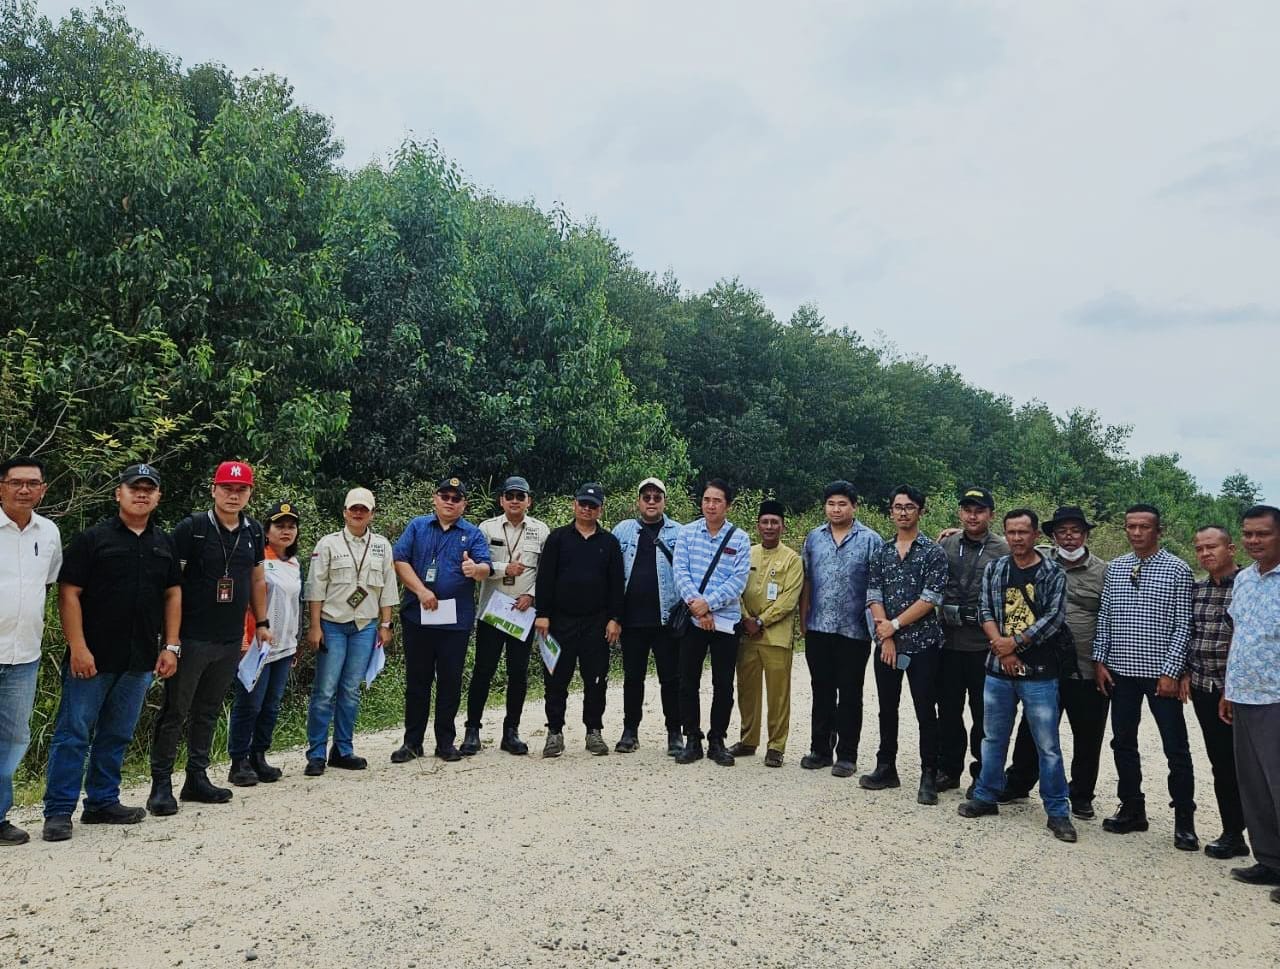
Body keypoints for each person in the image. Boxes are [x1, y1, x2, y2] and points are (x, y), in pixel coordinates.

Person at [41, 464, 180, 841]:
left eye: (149, 489)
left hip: (139, 658)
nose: (141, 494)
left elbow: (172, 594)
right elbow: (68, 593)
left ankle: (102, 802)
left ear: (157, 497)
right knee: (73, 734)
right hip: (93, 657)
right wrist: (78, 647)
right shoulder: (93, 539)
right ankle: (58, 811)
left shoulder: (163, 543)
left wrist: (170, 645)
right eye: (134, 487)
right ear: (118, 493)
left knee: (117, 734)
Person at [148, 461, 271, 816]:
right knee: (176, 710)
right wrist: (170, 639)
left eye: (242, 490)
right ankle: (160, 783)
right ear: (214, 489)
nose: (234, 496)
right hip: (192, 635)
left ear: (249, 493)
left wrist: (261, 621)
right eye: (227, 489)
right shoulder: (194, 528)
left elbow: (257, 580)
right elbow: (171, 585)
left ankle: (196, 777)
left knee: (209, 710)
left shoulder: (253, 531)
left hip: (230, 637)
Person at [956, 509, 1078, 843]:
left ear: (1036, 535)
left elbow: (1053, 618)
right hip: (998, 670)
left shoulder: (1052, 572)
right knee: (993, 737)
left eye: (1024, 532)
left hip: (1040, 673)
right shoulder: (997, 568)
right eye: (1011, 532)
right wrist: (1002, 648)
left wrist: (1015, 645)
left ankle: (1057, 810)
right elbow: (985, 610)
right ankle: (986, 794)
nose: (1017, 538)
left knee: (1047, 744)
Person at [1092, 503, 1197, 850]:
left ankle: (1185, 819)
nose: (1137, 533)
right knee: (1123, 741)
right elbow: (1105, 616)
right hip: (1121, 671)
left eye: (1144, 527)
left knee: (1175, 747)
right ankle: (1132, 808)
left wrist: (1171, 671)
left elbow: (1184, 625)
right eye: (1131, 527)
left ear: (1158, 531)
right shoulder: (1117, 568)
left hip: (1159, 676)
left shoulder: (1177, 570)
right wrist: (1100, 660)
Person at [1002, 505, 1110, 820]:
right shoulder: (1041, 561)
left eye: (1075, 530)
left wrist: (1104, 660)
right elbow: (1009, 542)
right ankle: (1018, 782)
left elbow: (1109, 618)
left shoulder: (1104, 571)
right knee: (1032, 727)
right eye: (1062, 531)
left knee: (1088, 734)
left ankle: (1081, 795)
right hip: (1043, 663)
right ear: (1051, 535)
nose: (1069, 536)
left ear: (1086, 534)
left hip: (1086, 666)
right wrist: (953, 532)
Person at [392, 476, 492, 763]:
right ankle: (412, 742)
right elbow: (400, 560)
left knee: (450, 681)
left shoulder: (472, 534)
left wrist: (476, 569)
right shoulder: (417, 526)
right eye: (445, 496)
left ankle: (446, 742)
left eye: (456, 498)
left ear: (464, 504)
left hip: (455, 622)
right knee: (417, 681)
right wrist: (422, 591)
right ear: (435, 498)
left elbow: (485, 566)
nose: (449, 502)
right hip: (418, 616)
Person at [863, 484, 948, 804]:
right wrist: (886, 636)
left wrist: (893, 627)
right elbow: (874, 594)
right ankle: (886, 766)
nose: (902, 512)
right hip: (887, 645)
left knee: (926, 710)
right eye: (897, 506)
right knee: (887, 708)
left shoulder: (932, 552)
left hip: (923, 644)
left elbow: (931, 598)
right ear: (890, 511)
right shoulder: (881, 552)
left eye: (909, 507)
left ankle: (929, 772)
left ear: (920, 511)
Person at [304, 488, 398, 776]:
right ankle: (316, 753)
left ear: (372, 513)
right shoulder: (329, 544)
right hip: (333, 624)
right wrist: (315, 625)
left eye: (364, 509)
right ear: (344, 511)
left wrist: (386, 625)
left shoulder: (382, 546)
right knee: (325, 690)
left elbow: (387, 587)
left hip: (365, 626)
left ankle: (343, 749)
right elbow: (315, 587)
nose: (358, 513)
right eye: (353, 508)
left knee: (350, 690)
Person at [796, 481, 882, 777]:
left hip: (854, 630)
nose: (836, 509)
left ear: (854, 507)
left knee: (849, 692)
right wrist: (803, 618)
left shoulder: (871, 540)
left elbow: (876, 586)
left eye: (842, 504)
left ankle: (847, 754)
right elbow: (806, 579)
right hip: (819, 626)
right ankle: (820, 749)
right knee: (820, 690)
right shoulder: (814, 538)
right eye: (831, 503)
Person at [534, 483, 624, 758]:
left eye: (593, 505)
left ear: (600, 509)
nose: (587, 509)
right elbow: (545, 579)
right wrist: (542, 615)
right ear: (574, 505)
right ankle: (554, 732)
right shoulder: (558, 538)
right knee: (556, 679)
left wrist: (614, 619)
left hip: (597, 623)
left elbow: (616, 584)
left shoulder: (609, 543)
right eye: (583, 503)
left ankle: (593, 731)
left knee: (595, 679)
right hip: (560, 622)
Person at [0, 456, 62, 846]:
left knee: (14, 739)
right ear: (1, 486)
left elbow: (47, 585)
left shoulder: (50, 532)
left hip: (24, 655)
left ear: (42, 489)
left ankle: (0, 815)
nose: (25, 489)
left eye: (32, 483)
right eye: (16, 482)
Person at [463, 476, 549, 757]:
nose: (515, 500)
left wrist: (533, 595)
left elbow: (547, 571)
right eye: (509, 495)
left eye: (520, 496)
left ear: (529, 501)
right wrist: (503, 569)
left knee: (518, 674)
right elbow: (478, 565)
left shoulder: (540, 530)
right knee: (483, 672)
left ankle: (511, 732)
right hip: (492, 612)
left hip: (523, 613)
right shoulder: (485, 529)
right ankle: (472, 731)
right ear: (501, 500)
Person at [1221, 505, 1280, 903]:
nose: (1254, 541)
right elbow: (1239, 637)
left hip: (1277, 697)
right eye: (1248, 534)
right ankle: (1270, 860)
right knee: (1255, 785)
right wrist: (1228, 688)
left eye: (1263, 534)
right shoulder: (1243, 579)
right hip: (1243, 694)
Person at [673, 479, 752, 767]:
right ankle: (692, 738)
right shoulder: (687, 533)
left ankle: (717, 739)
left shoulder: (740, 539)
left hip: (726, 622)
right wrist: (698, 608)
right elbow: (680, 571)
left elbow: (738, 580)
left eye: (717, 500)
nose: (710, 505)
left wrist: (710, 605)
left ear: (727, 505)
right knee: (687, 680)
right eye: (706, 499)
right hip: (693, 621)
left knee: (723, 683)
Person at [936, 487, 1008, 795]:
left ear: (991, 514)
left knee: (984, 715)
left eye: (979, 510)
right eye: (967, 509)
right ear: (960, 513)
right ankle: (949, 770)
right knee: (949, 712)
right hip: (949, 642)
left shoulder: (1003, 549)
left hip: (984, 646)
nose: (973, 515)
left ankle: (983, 773)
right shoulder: (946, 544)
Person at [226, 502, 303, 786]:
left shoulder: (294, 563)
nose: (286, 531)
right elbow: (246, 601)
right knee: (250, 704)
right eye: (279, 526)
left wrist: (294, 641)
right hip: (257, 644)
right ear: (266, 530)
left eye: (291, 526)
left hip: (284, 645)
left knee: (271, 705)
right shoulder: (256, 559)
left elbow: (295, 605)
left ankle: (259, 755)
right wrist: (245, 638)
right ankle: (239, 760)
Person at [1184, 525, 1248, 860]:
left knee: (1255, 766)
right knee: (1221, 763)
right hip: (1204, 689)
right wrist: (1185, 673)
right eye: (1200, 549)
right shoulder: (1197, 589)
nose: (1206, 553)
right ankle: (1233, 832)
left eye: (1213, 547)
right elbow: (1190, 635)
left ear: (1231, 548)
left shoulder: (1250, 586)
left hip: (1242, 694)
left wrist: (1233, 688)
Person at [613, 477, 684, 755]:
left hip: (667, 620)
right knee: (633, 678)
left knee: (671, 678)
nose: (651, 502)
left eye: (657, 497)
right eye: (647, 497)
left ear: (665, 501)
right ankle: (630, 731)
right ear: (639, 501)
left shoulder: (680, 532)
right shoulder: (623, 531)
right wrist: (614, 615)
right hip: (632, 620)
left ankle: (674, 733)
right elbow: (612, 573)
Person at [731, 499, 803, 767]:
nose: (770, 527)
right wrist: (746, 618)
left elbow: (788, 599)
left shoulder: (792, 559)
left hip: (776, 637)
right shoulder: (746, 553)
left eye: (775, 522)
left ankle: (776, 746)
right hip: (746, 635)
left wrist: (760, 621)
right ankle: (748, 740)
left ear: (783, 526)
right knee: (747, 690)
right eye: (765, 522)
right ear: (758, 525)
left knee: (778, 694)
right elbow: (735, 588)